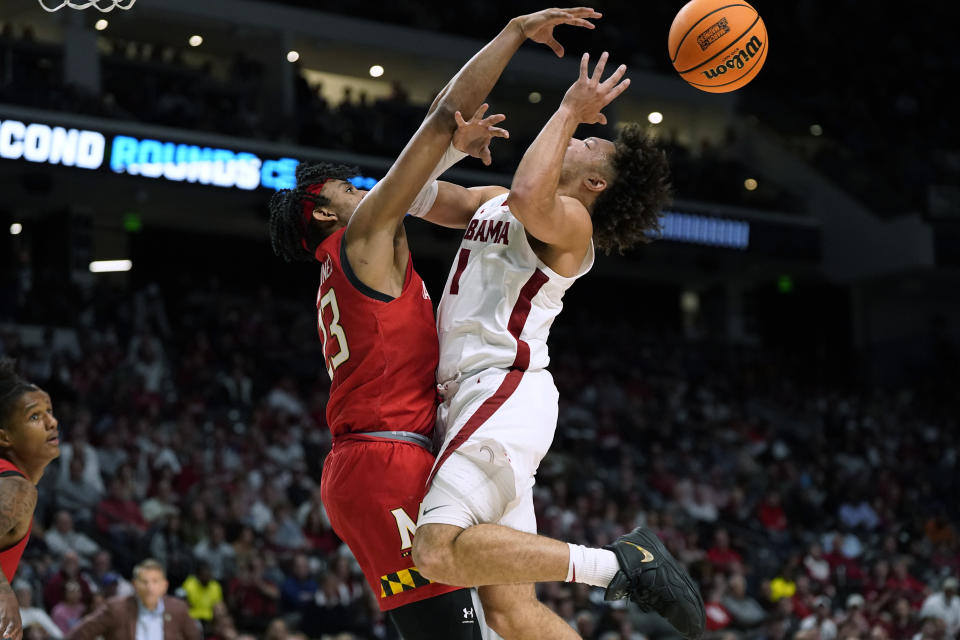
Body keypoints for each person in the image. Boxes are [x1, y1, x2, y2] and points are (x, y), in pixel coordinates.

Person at [267, 7, 600, 639]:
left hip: (386, 455)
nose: (363, 189)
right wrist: (512, 36)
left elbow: (433, 160)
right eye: (346, 187)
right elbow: (436, 119)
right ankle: (615, 567)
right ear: (321, 214)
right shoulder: (363, 237)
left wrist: (450, 151)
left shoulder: (352, 257)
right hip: (387, 457)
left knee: (510, 613)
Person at [409, 52, 704, 640]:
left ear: (595, 184)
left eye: (595, 147)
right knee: (513, 616)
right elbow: (408, 195)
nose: (587, 137)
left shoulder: (572, 224)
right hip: (478, 395)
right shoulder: (496, 197)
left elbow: (527, 197)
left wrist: (571, 107)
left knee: (436, 551)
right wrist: (450, 148)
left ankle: (620, 566)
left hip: (501, 387)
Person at [0, 357, 61, 640]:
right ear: (5, 438)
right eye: (35, 417)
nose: (52, 422)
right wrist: (5, 597)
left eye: (49, 411)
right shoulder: (16, 487)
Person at [67, 559, 199, 640]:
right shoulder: (117, 609)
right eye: (144, 582)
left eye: (155, 581)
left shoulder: (178, 610)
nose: (149, 587)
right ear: (134, 585)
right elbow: (80, 634)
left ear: (165, 586)